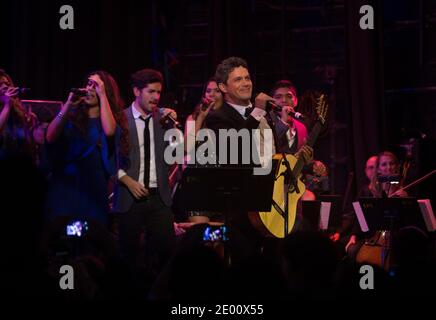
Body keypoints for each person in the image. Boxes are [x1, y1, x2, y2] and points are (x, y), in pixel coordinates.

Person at [113, 68, 178, 273]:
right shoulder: (120, 120)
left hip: (159, 198)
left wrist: (175, 127)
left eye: (158, 92)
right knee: (128, 256)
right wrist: (127, 181)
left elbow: (177, 154)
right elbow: (108, 159)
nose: (156, 97)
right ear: (136, 91)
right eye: (151, 91)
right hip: (129, 197)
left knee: (167, 253)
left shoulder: (163, 119)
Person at [45, 70, 127, 227]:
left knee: (90, 236)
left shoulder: (109, 120)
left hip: (92, 190)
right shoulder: (72, 116)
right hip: (66, 186)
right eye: (88, 84)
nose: (89, 88)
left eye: (95, 85)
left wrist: (102, 95)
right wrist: (68, 105)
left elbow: (110, 131)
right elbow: (50, 137)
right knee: (64, 238)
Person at [345, 151, 408, 255]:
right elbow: (359, 216)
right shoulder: (368, 191)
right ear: (378, 169)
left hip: (397, 236)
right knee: (352, 250)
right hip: (372, 236)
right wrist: (354, 235)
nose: (389, 167)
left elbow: (408, 219)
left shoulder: (403, 190)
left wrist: (406, 200)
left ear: (397, 166)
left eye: (392, 164)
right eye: (384, 164)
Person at [184, 77, 224, 224]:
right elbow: (187, 148)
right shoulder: (193, 118)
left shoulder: (229, 120)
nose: (211, 94)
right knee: (201, 235)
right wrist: (201, 118)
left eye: (217, 91)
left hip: (222, 188)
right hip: (198, 187)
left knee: (219, 238)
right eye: (208, 91)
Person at [0, 69, 36, 160]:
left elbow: (24, 139)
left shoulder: (16, 107)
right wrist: (7, 105)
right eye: (0, 84)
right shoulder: (8, 105)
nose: (5, 86)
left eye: (7, 84)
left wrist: (29, 127)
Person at [270, 80, 308, 154]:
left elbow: (303, 158)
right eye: (278, 97)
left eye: (289, 96)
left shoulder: (302, 127)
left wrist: (313, 163)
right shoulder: (265, 121)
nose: (284, 100)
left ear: (296, 101)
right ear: (272, 102)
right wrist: (283, 121)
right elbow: (265, 147)